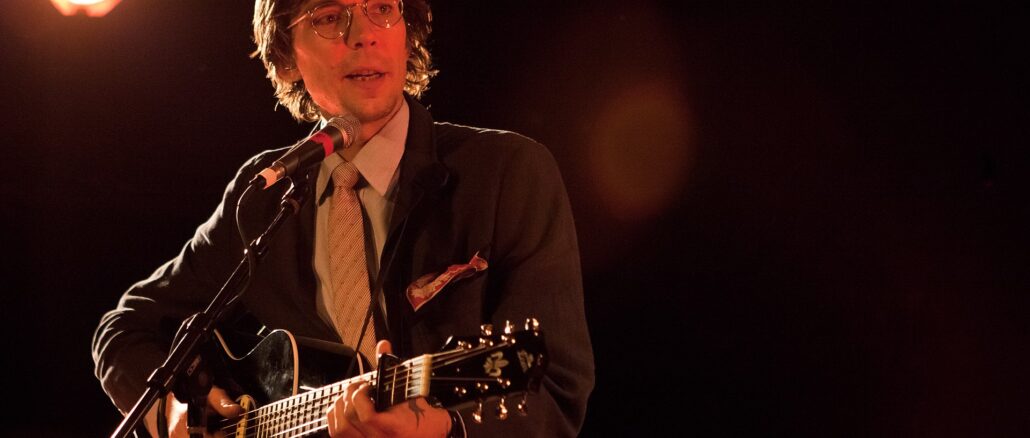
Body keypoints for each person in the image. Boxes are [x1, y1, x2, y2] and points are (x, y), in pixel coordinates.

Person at [91, 0, 594, 437]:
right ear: (287, 58)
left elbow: (555, 385)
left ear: (407, 33)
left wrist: (443, 428)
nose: (363, 35)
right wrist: (170, 413)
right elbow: (124, 327)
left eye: (382, 9)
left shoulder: (506, 172)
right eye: (329, 17)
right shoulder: (264, 194)